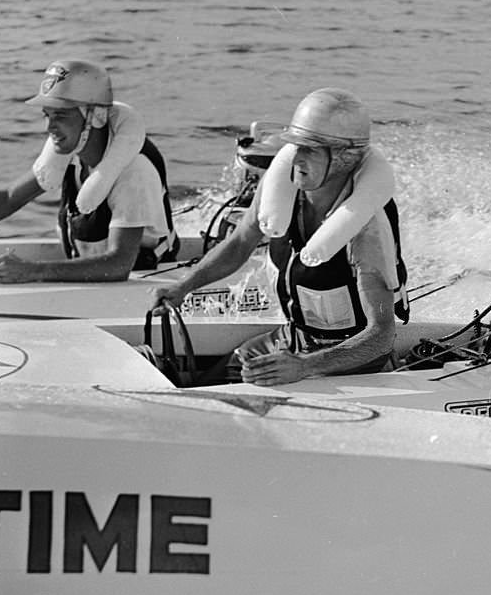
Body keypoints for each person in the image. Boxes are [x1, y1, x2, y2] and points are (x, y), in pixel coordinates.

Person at [151, 87, 408, 387]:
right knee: (209, 382)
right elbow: (239, 244)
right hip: (296, 340)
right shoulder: (282, 192)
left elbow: (381, 336)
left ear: (344, 157)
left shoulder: (366, 228)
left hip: (354, 362)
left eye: (310, 149)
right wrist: (184, 286)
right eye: (296, 146)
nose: (296, 157)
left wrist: (305, 367)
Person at [0, 58, 177, 282]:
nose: (49, 127)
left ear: (95, 116)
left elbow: (119, 265)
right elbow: (8, 198)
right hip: (89, 277)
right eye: (47, 115)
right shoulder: (71, 151)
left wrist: (30, 271)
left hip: (142, 282)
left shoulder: (135, 171)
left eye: (61, 116)